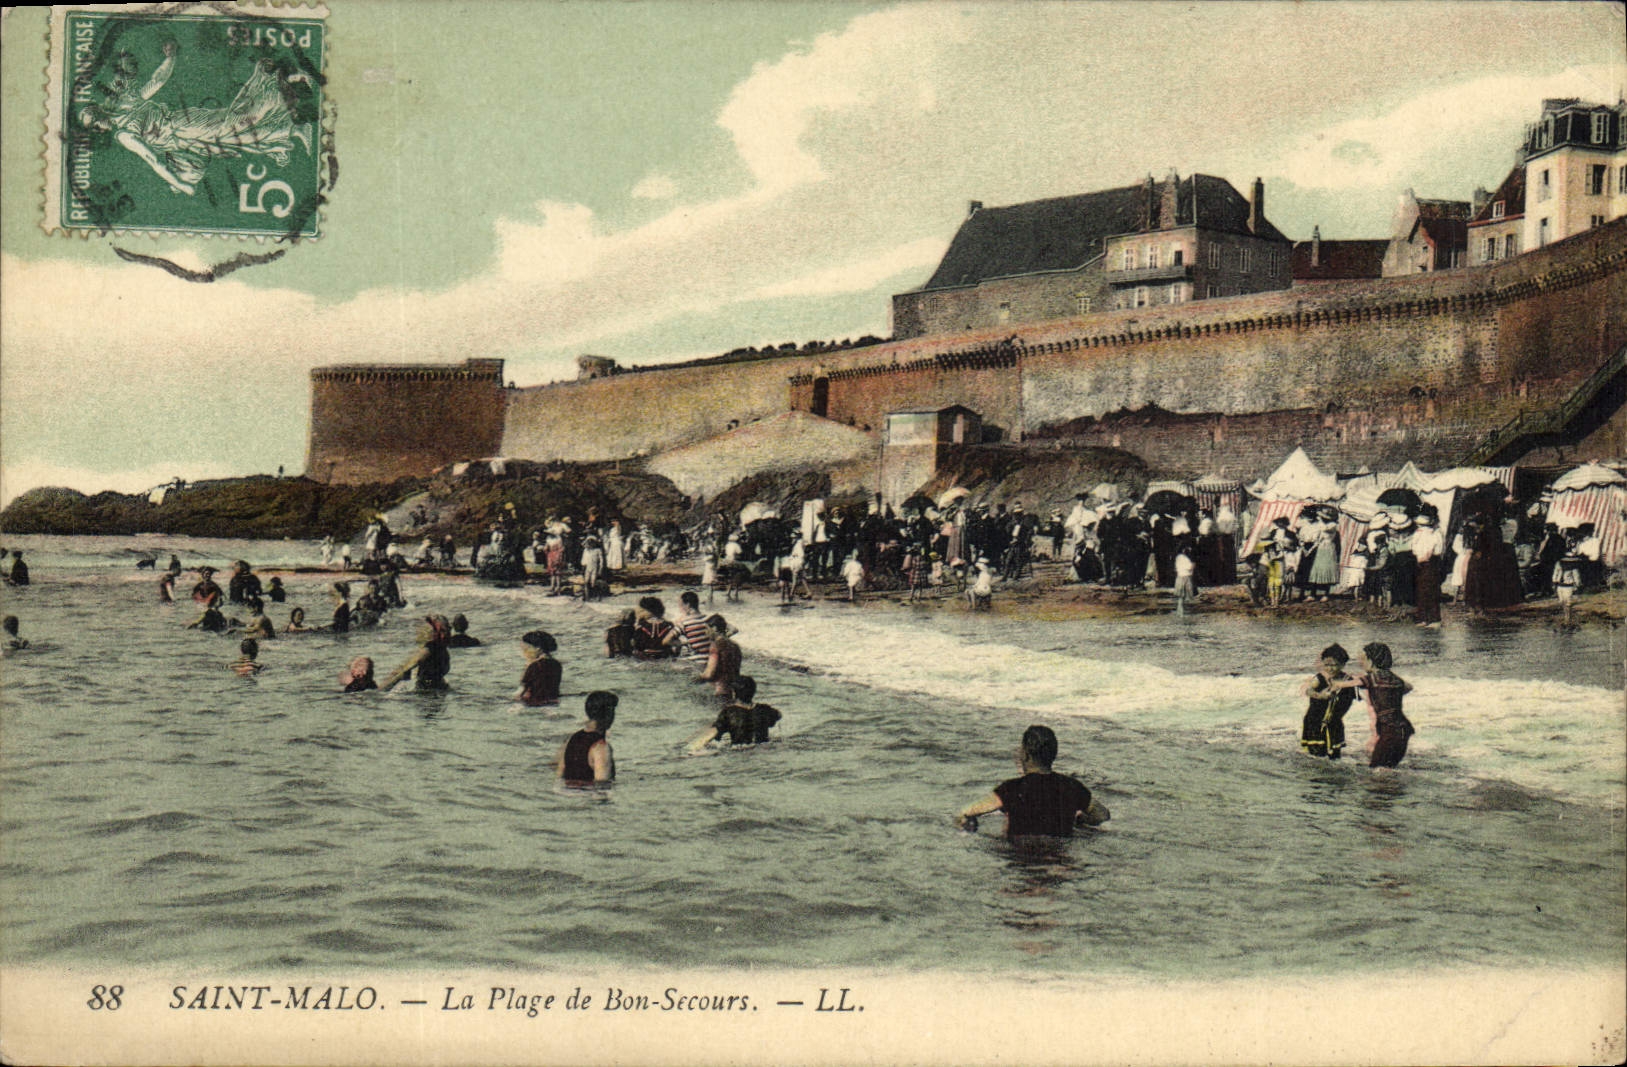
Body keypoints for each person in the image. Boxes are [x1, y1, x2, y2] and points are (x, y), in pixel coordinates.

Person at [955, 725, 1110, 837]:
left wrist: (969, 827)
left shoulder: (1011, 789)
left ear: (1026, 756)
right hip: (1059, 859)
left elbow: (966, 811)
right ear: (1054, 755)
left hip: (1020, 861)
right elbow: (1102, 815)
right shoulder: (1072, 787)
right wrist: (1079, 821)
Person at [1355, 642, 1415, 769]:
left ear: (1372, 661)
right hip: (1401, 729)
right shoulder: (1390, 678)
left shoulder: (1373, 678)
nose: (1361, 663)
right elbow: (1408, 686)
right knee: (1387, 767)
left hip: (1391, 731)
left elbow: (1354, 683)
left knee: (1378, 770)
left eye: (1363, 659)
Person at [686, 675, 782, 752]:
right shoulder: (764, 709)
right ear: (754, 691)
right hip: (764, 750)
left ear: (734, 693)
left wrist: (692, 748)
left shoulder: (729, 712)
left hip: (739, 752)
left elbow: (712, 734)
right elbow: (779, 715)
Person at [1299, 643, 1356, 760]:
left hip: (1334, 723)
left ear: (1343, 664)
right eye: (1326, 665)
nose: (1329, 668)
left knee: (1334, 755)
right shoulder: (1319, 678)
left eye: (1333, 665)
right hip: (1315, 721)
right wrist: (1320, 696)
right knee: (1316, 755)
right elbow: (1308, 690)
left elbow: (1348, 701)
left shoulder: (1348, 681)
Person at [557, 691, 617, 786]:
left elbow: (559, 777)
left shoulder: (570, 740)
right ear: (609, 714)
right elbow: (602, 787)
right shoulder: (601, 748)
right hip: (587, 797)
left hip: (568, 796)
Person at [380, 616, 453, 692]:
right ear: (434, 633)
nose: (444, 635)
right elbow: (402, 670)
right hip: (425, 694)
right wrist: (380, 691)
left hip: (438, 692)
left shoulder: (442, 650)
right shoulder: (428, 650)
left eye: (446, 631)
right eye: (440, 631)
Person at [1411, 512, 1444, 626]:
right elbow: (1414, 547)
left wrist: (1424, 556)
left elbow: (1435, 549)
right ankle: (1423, 617)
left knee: (1430, 590)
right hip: (1421, 562)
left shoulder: (1435, 534)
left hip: (1430, 562)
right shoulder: (1419, 534)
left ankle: (1434, 619)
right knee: (1422, 591)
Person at [696, 614, 741, 698]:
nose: (705, 633)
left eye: (707, 629)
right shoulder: (735, 646)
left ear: (714, 629)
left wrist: (695, 680)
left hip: (718, 692)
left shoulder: (715, 646)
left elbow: (709, 674)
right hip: (731, 692)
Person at [518, 630, 562, 707]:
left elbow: (523, 692)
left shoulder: (535, 666)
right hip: (553, 702)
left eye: (526, 649)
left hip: (534, 704)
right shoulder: (556, 664)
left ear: (538, 649)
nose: (524, 653)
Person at [673, 591, 712, 662]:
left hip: (697, 659)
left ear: (687, 605)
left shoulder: (684, 623)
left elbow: (666, 641)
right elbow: (734, 630)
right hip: (712, 657)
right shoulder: (710, 619)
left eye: (680, 605)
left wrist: (685, 643)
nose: (679, 608)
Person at [1172, 542, 1196, 615]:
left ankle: (1180, 611)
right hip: (1185, 577)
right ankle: (1181, 612)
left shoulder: (1178, 557)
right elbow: (1189, 567)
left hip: (1180, 576)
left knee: (1181, 597)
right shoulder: (1184, 558)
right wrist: (1193, 565)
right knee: (1183, 596)